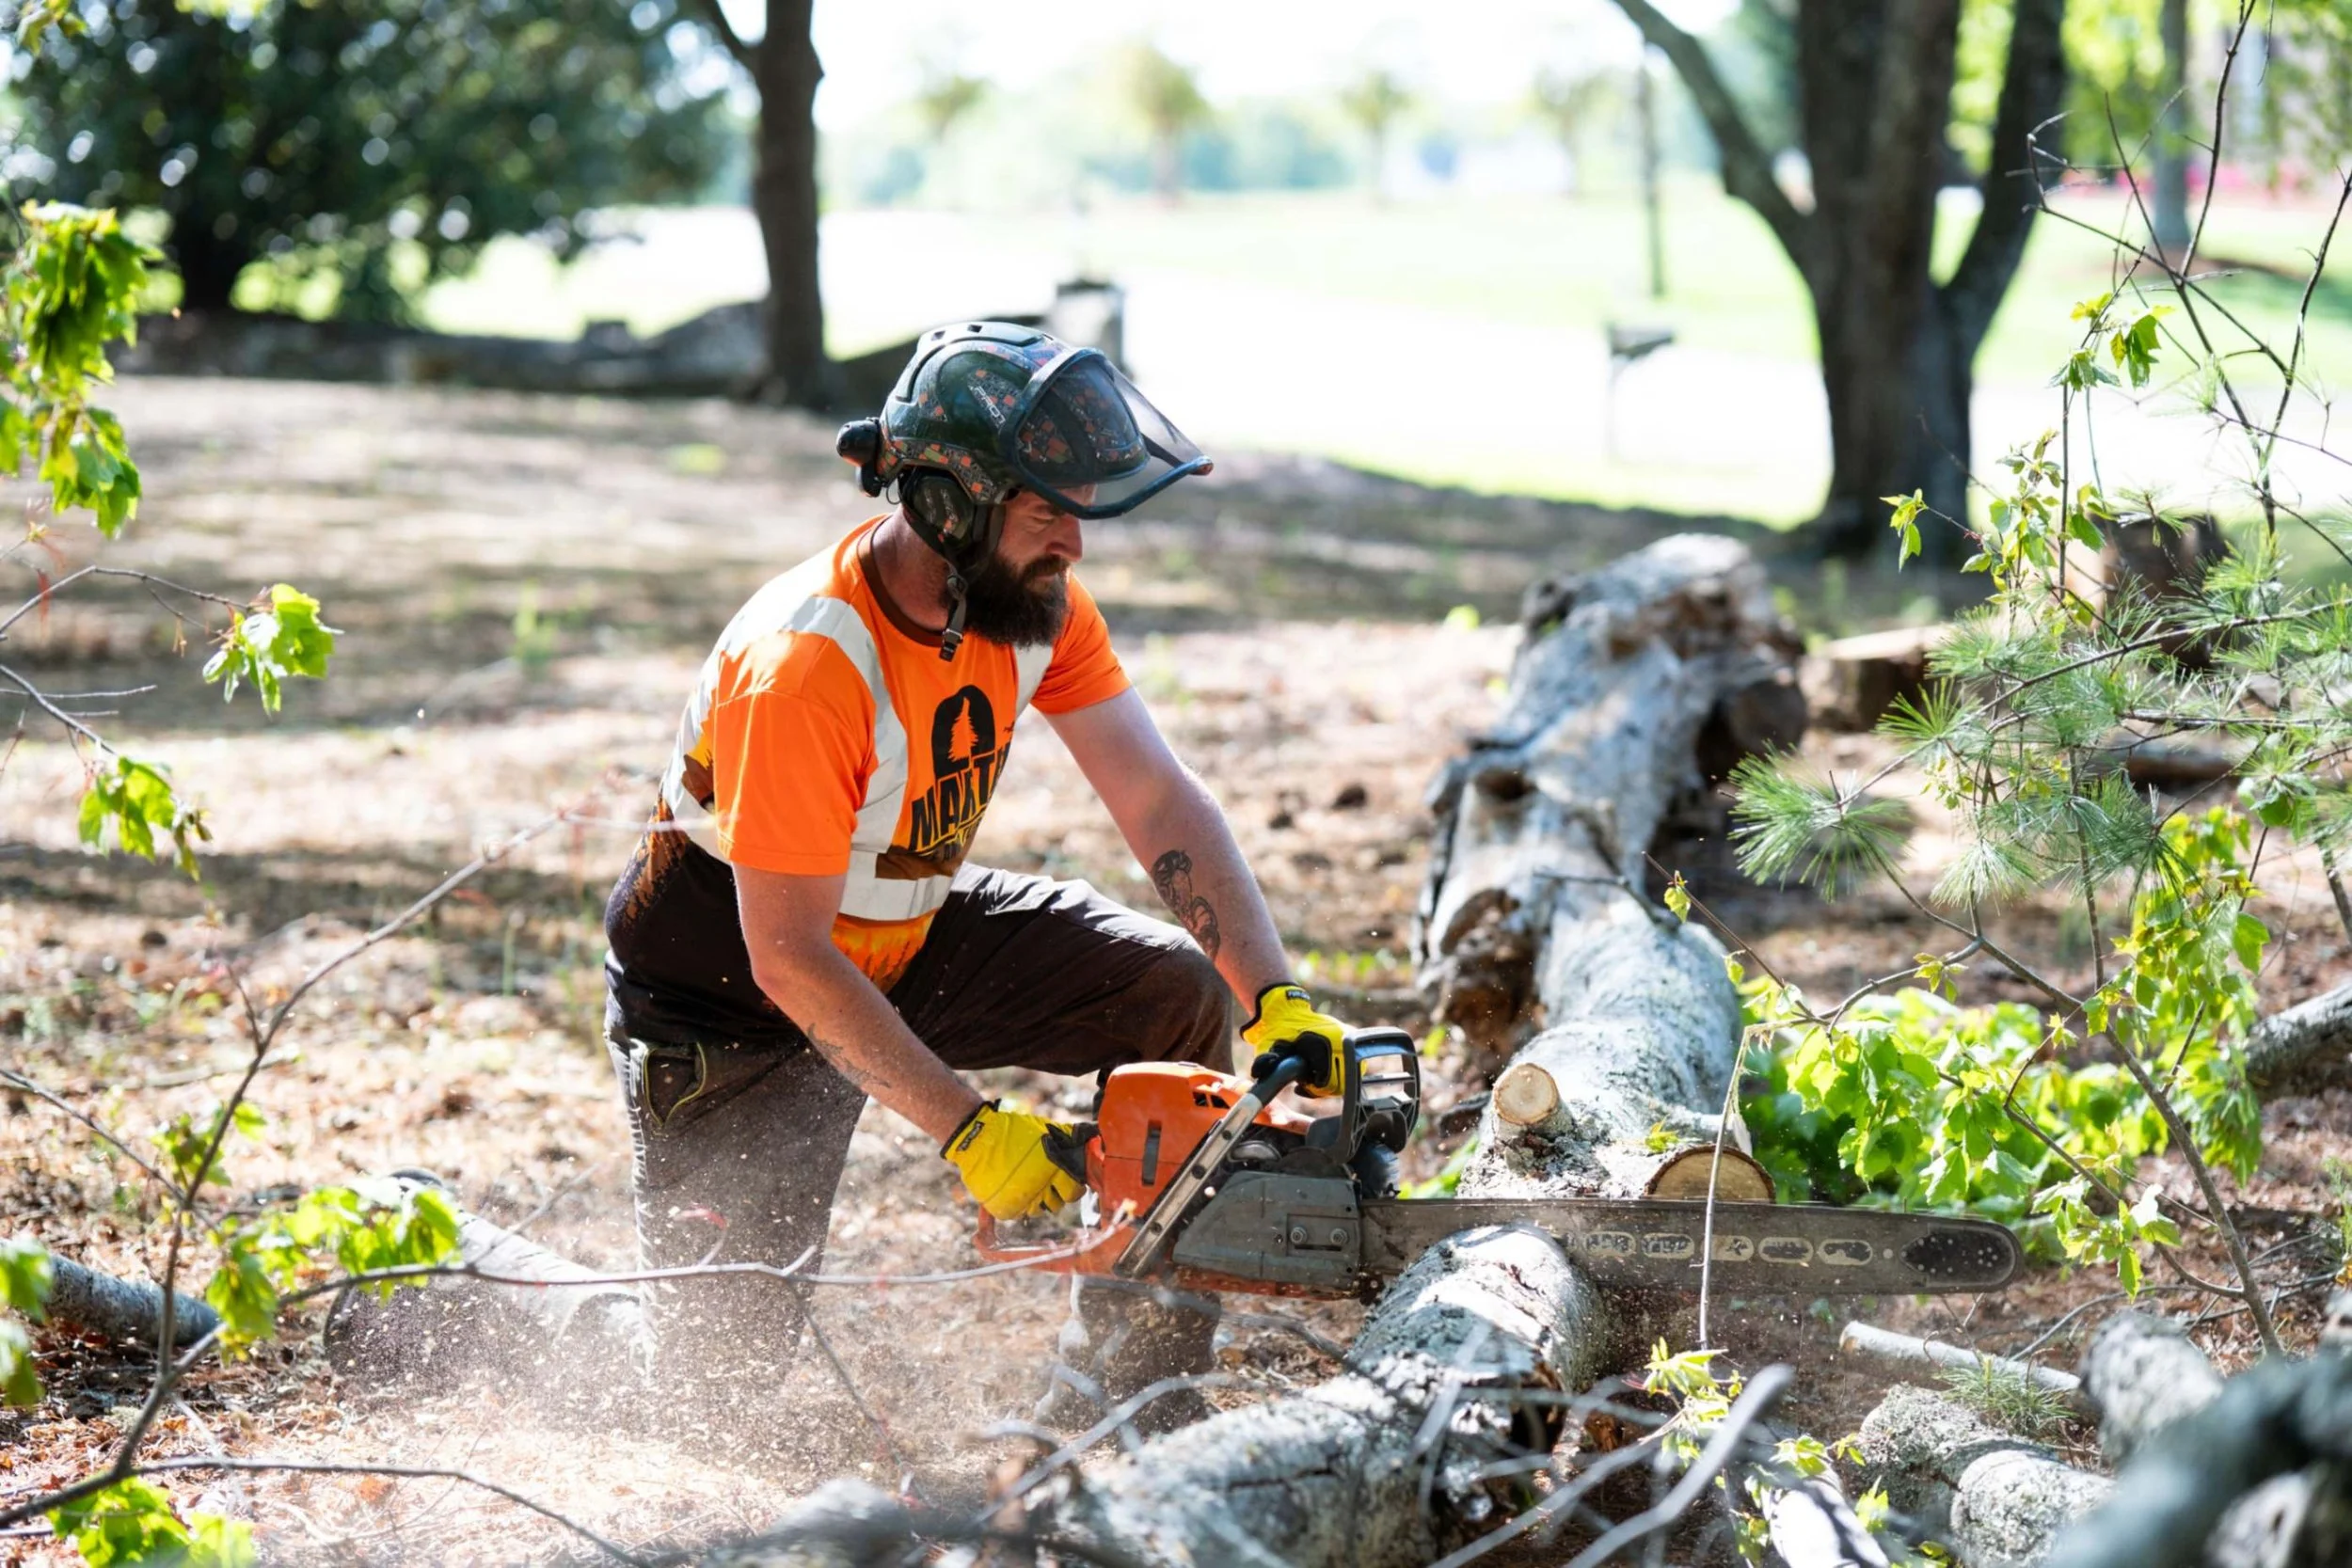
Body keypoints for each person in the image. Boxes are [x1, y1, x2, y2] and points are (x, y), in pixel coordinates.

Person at [601, 322, 1355, 1433]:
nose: (1075, 547)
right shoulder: (808, 665)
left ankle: (1133, 1386)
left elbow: (1155, 795)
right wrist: (971, 1131)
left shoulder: (1031, 604)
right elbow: (789, 958)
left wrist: (1270, 991)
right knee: (707, 1383)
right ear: (952, 501)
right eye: (1048, 512)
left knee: (1171, 995)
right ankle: (476, 1295)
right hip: (735, 996)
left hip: (895, 936)